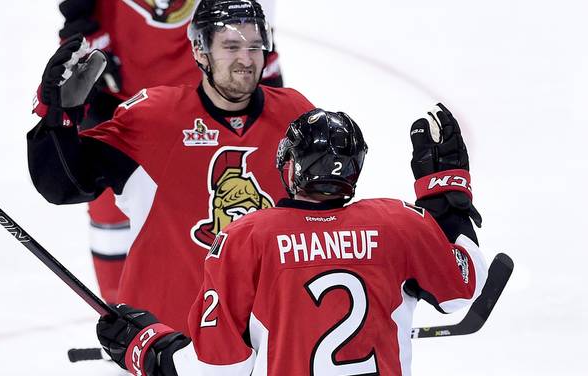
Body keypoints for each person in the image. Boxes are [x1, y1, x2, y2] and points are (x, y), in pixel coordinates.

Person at [94, 105, 488, 376]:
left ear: (290, 166)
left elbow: (217, 369)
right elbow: (463, 291)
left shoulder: (247, 236)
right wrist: (446, 204)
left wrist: (147, 347)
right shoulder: (399, 222)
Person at [28, 0, 313, 334]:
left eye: (255, 46)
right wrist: (57, 121)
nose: (245, 60)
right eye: (232, 46)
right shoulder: (152, 119)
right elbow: (62, 184)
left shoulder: (293, 115)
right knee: (110, 218)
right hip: (170, 347)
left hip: (268, 342)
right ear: (201, 51)